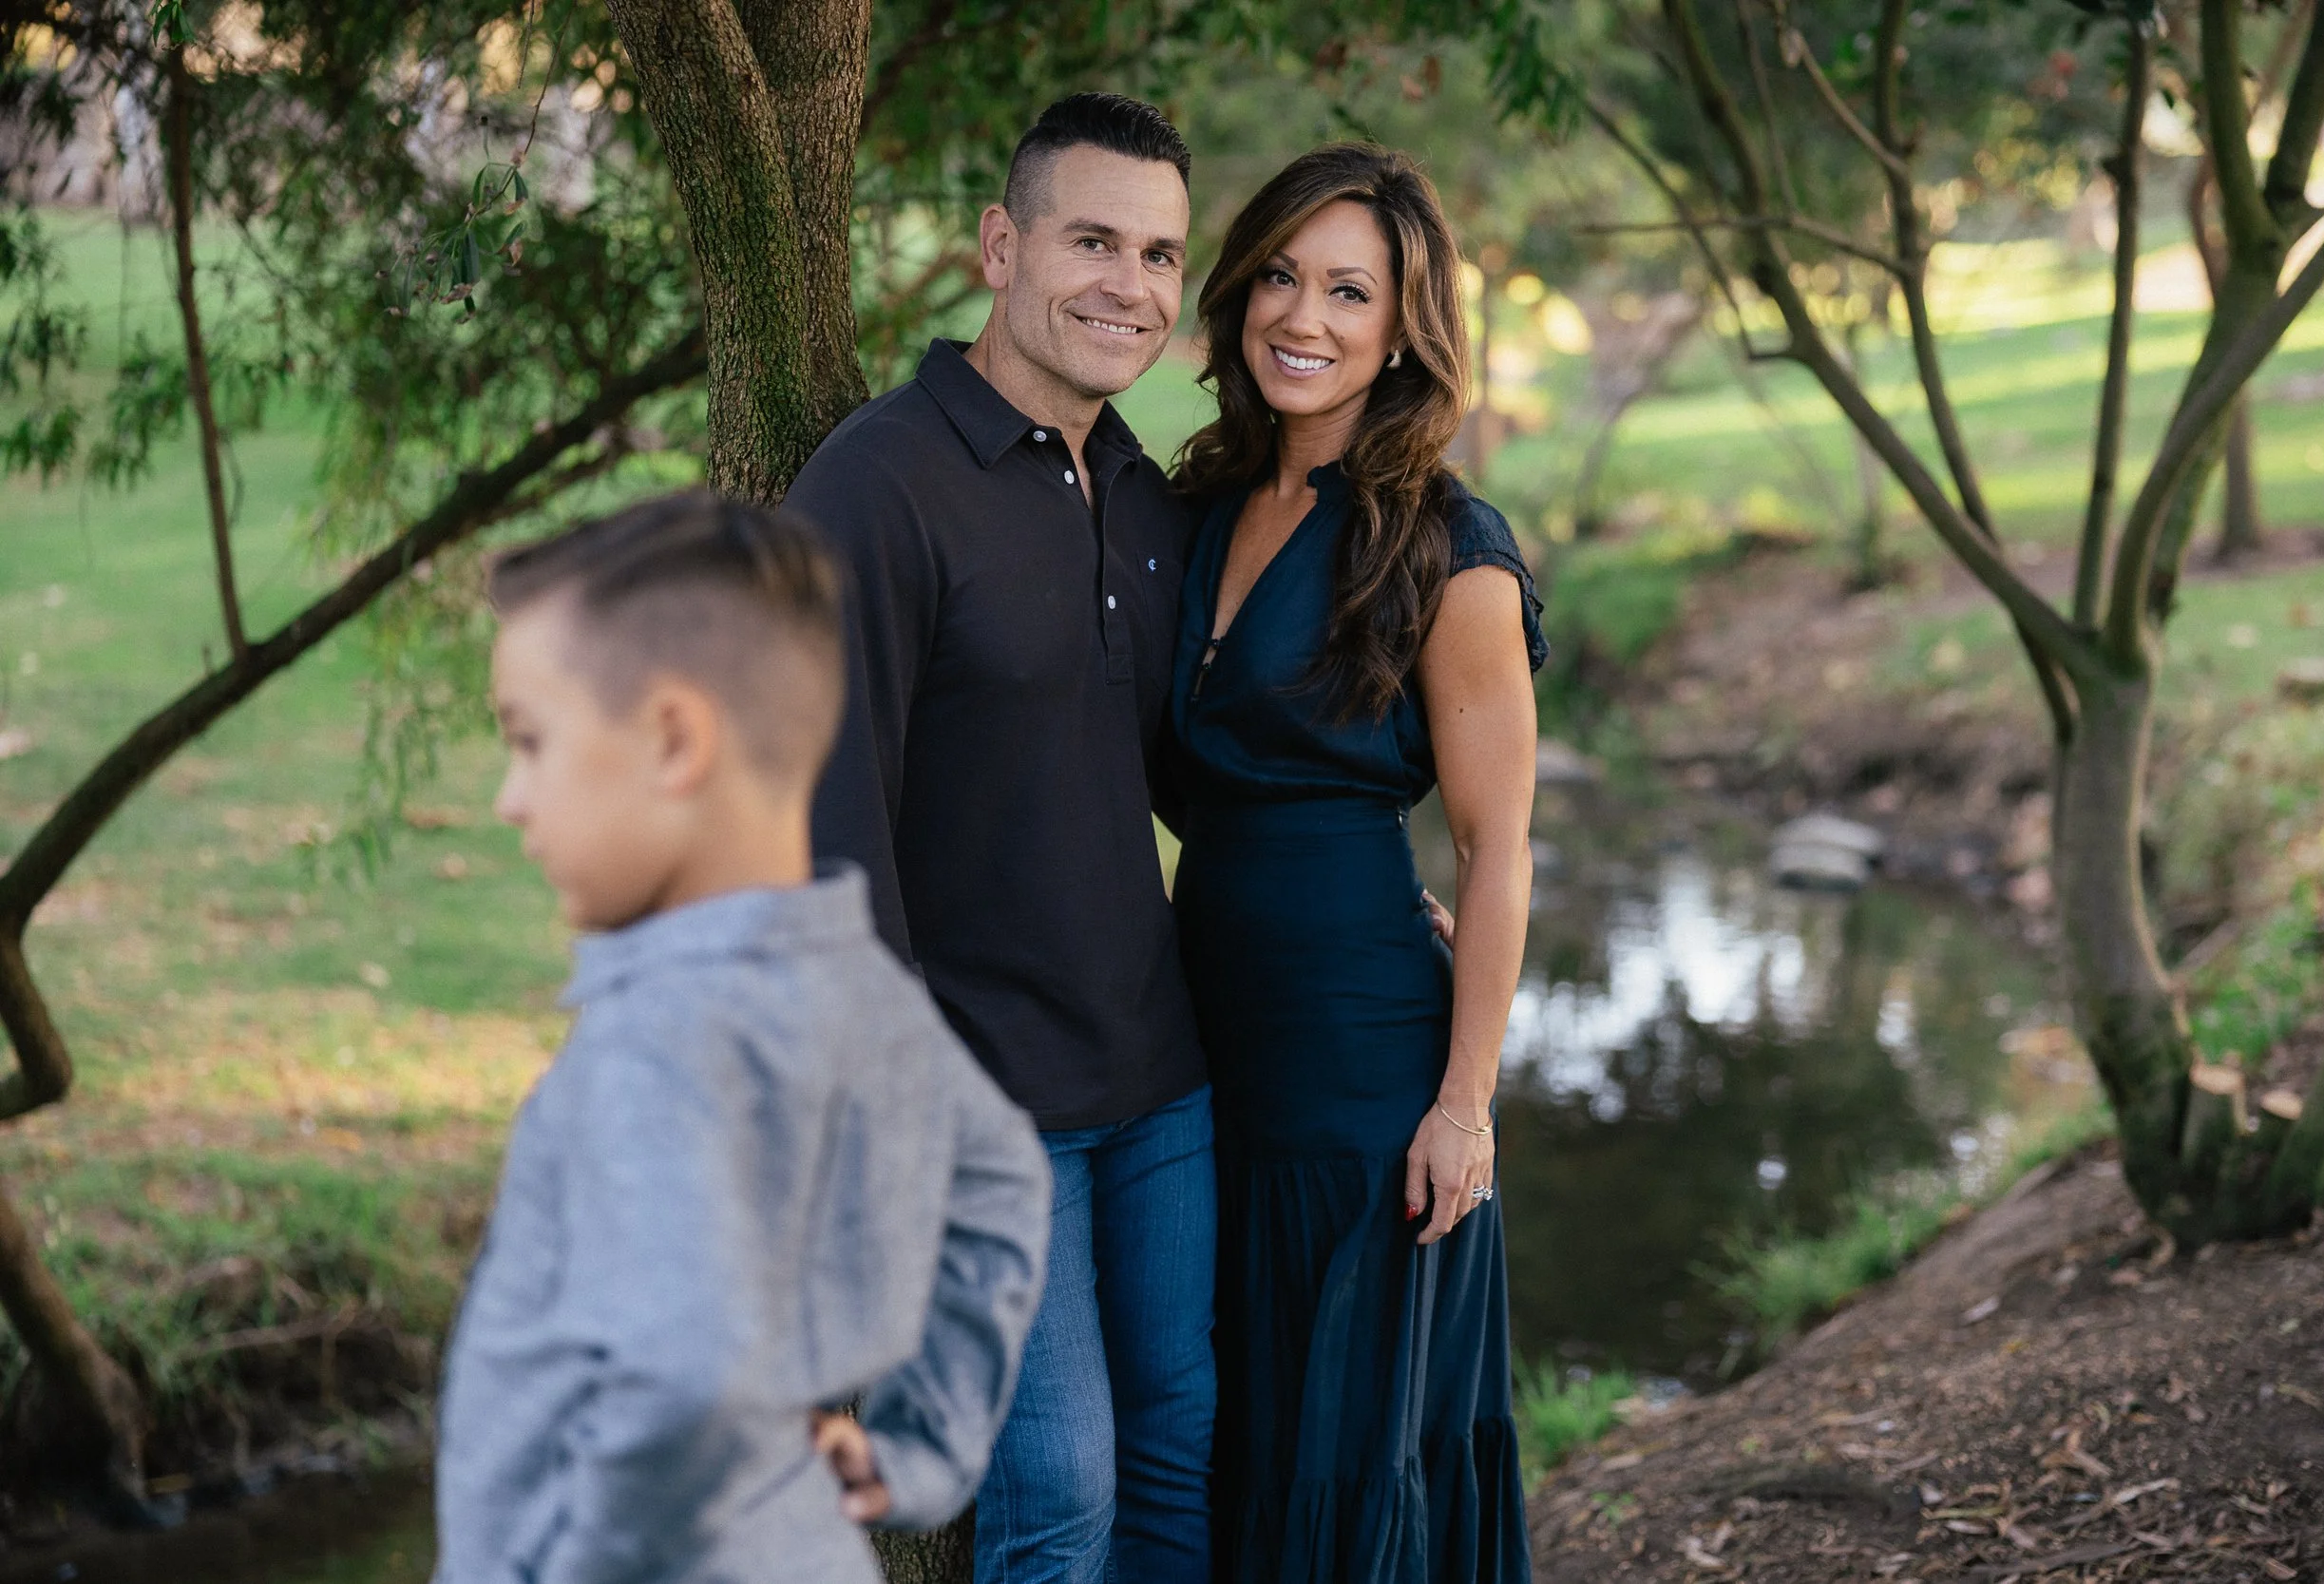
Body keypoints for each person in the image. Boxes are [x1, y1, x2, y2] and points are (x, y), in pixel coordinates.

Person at [431, 492, 1053, 1584]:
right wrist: (917, 1448)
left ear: (675, 738)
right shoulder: (864, 986)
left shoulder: (655, 1038)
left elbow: (685, 1371)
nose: (508, 799)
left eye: (531, 743)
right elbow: (1000, 1183)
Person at [785, 96, 1215, 1582]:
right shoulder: (877, 483)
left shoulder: (1144, 499)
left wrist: (1354, 892)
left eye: (1159, 253)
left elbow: (1180, 775)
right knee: (1066, 1496)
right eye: (1092, 239)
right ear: (1001, 245)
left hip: (1162, 1080)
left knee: (1180, 1456)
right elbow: (822, 834)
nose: (1130, 285)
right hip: (985, 1109)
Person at [1166, 145, 1545, 1582]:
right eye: (1279, 274)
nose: (1303, 316)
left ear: (1402, 329)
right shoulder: (1201, 505)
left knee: (1350, 1462)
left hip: (1365, 1073)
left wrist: (1466, 1099)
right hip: (1200, 1052)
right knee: (1236, 1436)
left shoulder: (1448, 548)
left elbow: (1498, 842)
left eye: (1347, 290)